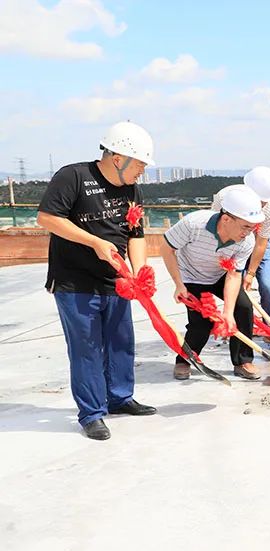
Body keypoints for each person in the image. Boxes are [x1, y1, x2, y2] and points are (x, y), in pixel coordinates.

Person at [37, 121, 158, 441]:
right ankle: (92, 413)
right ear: (118, 158)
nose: (142, 171)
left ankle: (120, 397)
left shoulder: (131, 189)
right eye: (140, 165)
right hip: (74, 282)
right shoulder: (74, 177)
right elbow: (47, 218)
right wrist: (93, 242)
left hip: (116, 281)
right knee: (86, 348)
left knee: (121, 342)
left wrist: (140, 271)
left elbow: (135, 234)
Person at [160, 185, 265, 380]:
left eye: (252, 227)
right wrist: (178, 284)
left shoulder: (246, 241)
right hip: (190, 277)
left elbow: (234, 275)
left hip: (219, 275)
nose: (249, 232)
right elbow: (167, 248)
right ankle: (185, 359)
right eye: (245, 226)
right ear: (226, 219)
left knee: (243, 308)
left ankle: (242, 361)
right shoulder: (193, 224)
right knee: (201, 323)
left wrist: (228, 312)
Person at [211, 166, 270, 325]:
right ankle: (237, 327)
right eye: (259, 201)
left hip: (257, 243)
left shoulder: (269, 210)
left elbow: (261, 243)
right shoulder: (224, 198)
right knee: (236, 291)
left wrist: (251, 273)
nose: (261, 205)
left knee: (269, 286)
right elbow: (215, 231)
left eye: (264, 202)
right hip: (232, 245)